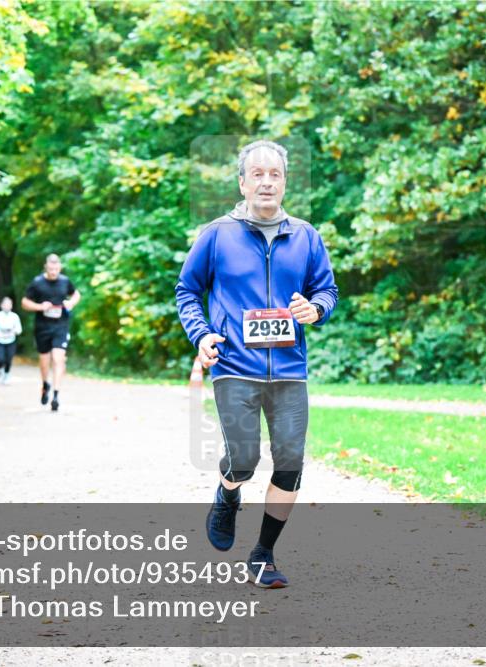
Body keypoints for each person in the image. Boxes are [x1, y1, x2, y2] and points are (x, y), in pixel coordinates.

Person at [175, 140, 338, 588]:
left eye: (276, 174)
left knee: (290, 463)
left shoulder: (306, 235)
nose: (267, 182)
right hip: (234, 366)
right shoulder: (216, 234)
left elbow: (327, 290)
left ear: (285, 182)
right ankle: (228, 493)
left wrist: (316, 309)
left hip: (289, 370)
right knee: (243, 459)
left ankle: (264, 554)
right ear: (243, 182)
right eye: (258, 174)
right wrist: (203, 333)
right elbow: (187, 291)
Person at [21, 254, 81, 411]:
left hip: (60, 326)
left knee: (58, 358)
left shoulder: (65, 281)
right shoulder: (38, 282)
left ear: (59, 268)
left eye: (56, 269)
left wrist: (71, 303)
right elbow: (24, 302)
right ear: (46, 267)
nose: (53, 272)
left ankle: (56, 394)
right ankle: (45, 384)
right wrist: (40, 307)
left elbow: (76, 294)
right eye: (51, 269)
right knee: (44, 361)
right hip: (42, 327)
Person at [0, 296, 22, 384]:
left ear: (11, 306)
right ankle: (0, 370)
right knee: (0, 358)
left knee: (9, 359)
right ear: (1, 305)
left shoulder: (15, 316)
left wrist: (14, 332)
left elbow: (19, 328)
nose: (7, 306)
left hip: (11, 340)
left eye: (9, 304)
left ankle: (6, 374)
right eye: (5, 304)